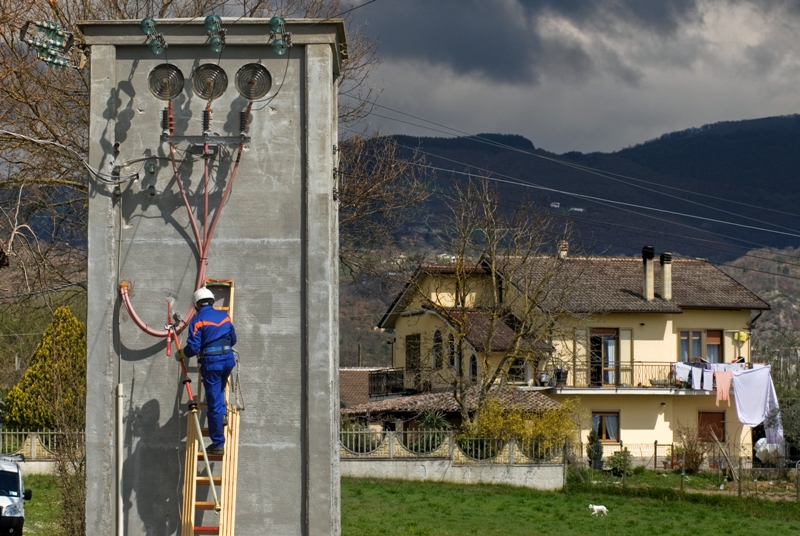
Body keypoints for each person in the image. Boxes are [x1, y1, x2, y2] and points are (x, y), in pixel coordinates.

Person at [177, 287, 237, 455]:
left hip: (212, 364)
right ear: (211, 301)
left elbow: (194, 348)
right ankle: (222, 414)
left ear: (196, 305)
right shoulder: (225, 317)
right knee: (219, 389)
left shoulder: (197, 321)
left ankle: (218, 443)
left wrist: (182, 353)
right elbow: (233, 340)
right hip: (228, 361)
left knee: (213, 404)